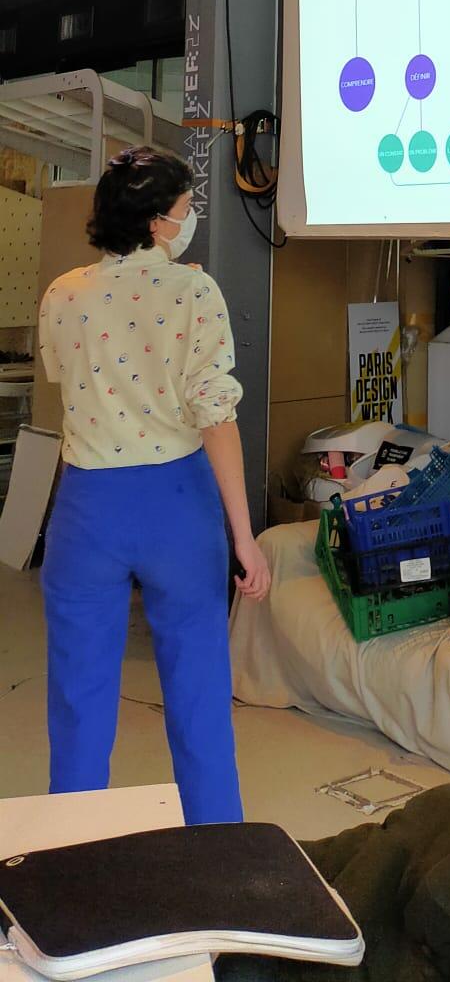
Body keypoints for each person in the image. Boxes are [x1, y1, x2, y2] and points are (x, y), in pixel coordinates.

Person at [38, 146, 271, 824]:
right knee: (199, 693)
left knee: (78, 700)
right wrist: (244, 538)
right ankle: (217, 852)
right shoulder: (195, 292)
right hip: (178, 506)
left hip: (87, 507)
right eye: (184, 208)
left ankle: (72, 856)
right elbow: (216, 419)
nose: (189, 218)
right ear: (156, 223)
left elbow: (66, 381)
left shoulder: (63, 294)